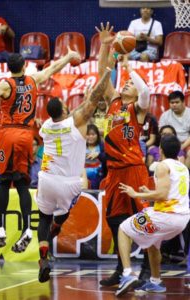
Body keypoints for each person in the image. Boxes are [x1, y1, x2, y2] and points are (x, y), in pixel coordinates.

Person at [0, 48, 81, 253]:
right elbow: (53, 68)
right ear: (24, 66)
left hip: (8, 134)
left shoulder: (4, 84)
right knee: (22, 182)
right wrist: (68, 56)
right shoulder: (32, 80)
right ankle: (26, 230)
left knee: (4, 180)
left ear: (7, 67)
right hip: (26, 136)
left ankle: (1, 228)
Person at [36, 68, 111, 283]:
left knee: (44, 217)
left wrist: (86, 99)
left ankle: (43, 255)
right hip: (69, 183)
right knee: (61, 217)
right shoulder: (75, 124)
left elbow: (75, 112)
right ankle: (50, 239)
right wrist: (106, 72)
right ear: (64, 109)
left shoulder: (46, 127)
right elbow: (93, 101)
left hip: (46, 179)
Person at [95, 22, 151, 287]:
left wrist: (129, 67)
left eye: (129, 83)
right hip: (114, 173)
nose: (125, 84)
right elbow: (102, 75)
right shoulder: (114, 101)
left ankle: (149, 269)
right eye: (125, 82)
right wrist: (106, 46)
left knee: (145, 221)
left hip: (134, 169)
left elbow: (145, 92)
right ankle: (122, 266)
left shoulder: (138, 109)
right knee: (114, 220)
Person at [116, 135, 190, 296]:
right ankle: (156, 281)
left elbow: (163, 194)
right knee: (152, 242)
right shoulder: (182, 166)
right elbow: (170, 194)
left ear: (160, 150)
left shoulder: (162, 166)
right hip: (182, 218)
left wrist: (135, 194)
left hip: (166, 217)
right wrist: (149, 193)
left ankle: (127, 273)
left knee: (123, 229)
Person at [159, 91, 190, 168]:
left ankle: (185, 175)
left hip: (187, 143)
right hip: (170, 143)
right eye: (172, 103)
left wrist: (181, 147)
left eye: (177, 102)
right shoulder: (165, 115)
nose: (174, 105)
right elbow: (162, 134)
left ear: (183, 102)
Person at [85, 123, 106, 189]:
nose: (91, 137)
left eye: (93, 134)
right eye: (88, 134)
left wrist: (98, 155)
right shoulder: (81, 146)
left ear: (97, 135)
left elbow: (108, 158)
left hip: (99, 179)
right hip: (84, 179)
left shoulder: (102, 146)